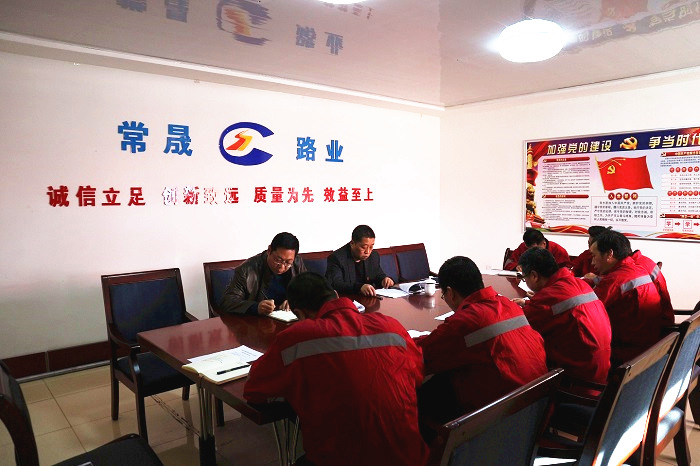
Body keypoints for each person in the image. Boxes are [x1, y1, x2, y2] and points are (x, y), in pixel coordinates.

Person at [243, 272, 429, 466]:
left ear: (300, 314)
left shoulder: (297, 338)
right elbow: (417, 374)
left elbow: (254, 389)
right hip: (410, 458)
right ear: (335, 295)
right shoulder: (392, 326)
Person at [415, 256, 548, 420]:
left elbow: (424, 352)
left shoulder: (466, 321)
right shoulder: (508, 305)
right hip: (537, 406)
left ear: (450, 292)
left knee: (426, 392)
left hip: (504, 419)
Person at [514, 248, 611, 384]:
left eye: (524, 278)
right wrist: (530, 303)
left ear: (534, 276)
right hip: (600, 370)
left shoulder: (548, 298)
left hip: (577, 381)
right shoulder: (578, 284)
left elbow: (520, 328)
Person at [589, 230, 672, 365]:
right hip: (649, 347)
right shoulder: (638, 269)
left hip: (626, 354)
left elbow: (587, 312)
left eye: (594, 255)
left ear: (609, 254)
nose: (592, 262)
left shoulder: (615, 280)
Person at [219, 232, 306, 315]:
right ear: (269, 250)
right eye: (278, 260)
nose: (282, 267)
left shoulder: (297, 264)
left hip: (288, 320)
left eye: (288, 262)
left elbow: (308, 293)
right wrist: (256, 307)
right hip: (258, 322)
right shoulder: (246, 270)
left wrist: (294, 302)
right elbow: (228, 302)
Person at [326, 224, 394, 296]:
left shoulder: (374, 256)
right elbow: (336, 284)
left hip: (368, 299)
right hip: (348, 299)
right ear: (352, 243)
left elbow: (378, 275)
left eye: (371, 247)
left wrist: (384, 280)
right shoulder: (337, 258)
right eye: (363, 247)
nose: (367, 252)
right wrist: (359, 287)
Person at [503, 228, 571, 271]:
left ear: (544, 243)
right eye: (529, 249)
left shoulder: (558, 250)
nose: (533, 252)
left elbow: (566, 271)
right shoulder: (523, 247)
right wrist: (516, 267)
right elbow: (509, 264)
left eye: (536, 249)